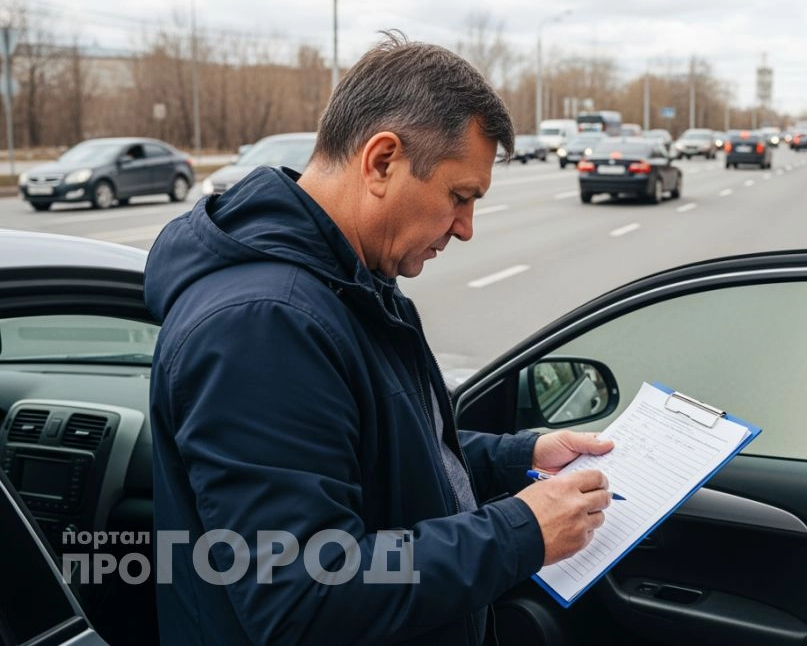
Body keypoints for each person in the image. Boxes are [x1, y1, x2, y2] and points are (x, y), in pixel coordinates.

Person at [145, 33, 616, 645]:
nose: (466, 228)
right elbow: (307, 593)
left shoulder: (348, 282)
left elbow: (377, 455)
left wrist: (515, 459)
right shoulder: (262, 325)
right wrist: (519, 532)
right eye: (460, 196)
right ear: (382, 161)